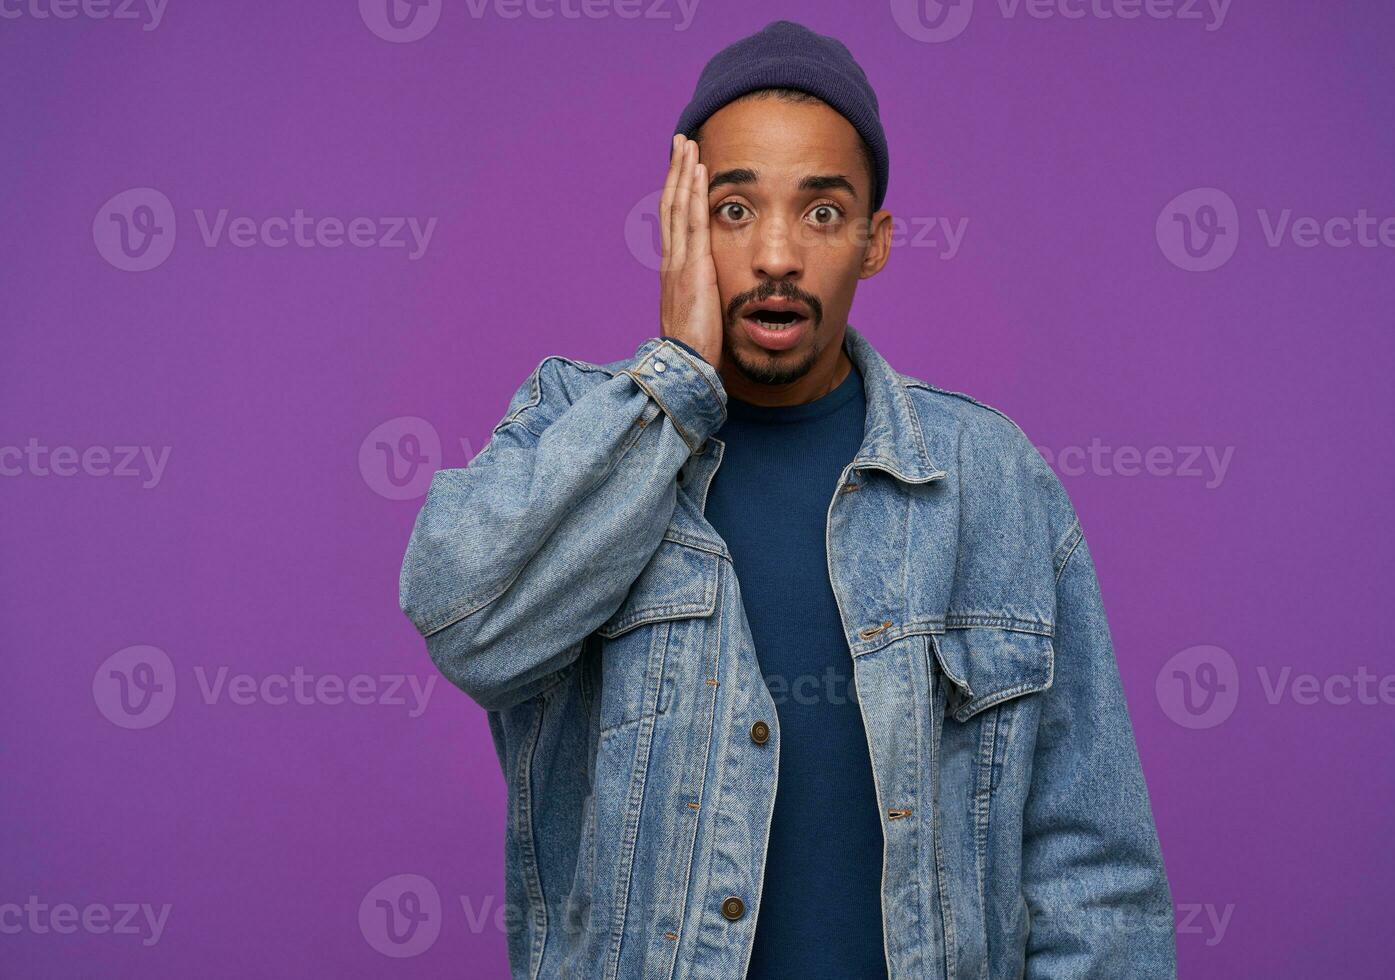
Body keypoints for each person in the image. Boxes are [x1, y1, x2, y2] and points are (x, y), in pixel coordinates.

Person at [398, 18, 1176, 979]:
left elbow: (1092, 868)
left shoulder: (990, 482)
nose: (775, 256)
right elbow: (469, 623)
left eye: (820, 212)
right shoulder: (573, 428)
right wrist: (676, 382)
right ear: (679, 228)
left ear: (874, 241)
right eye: (732, 210)